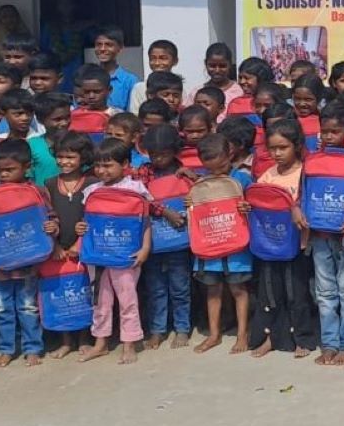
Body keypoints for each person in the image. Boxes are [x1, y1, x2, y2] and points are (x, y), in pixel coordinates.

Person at [0, 139, 58, 367]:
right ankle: (7, 349)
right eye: (0, 170)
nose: (4, 175)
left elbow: (50, 218)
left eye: (10, 170)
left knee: (27, 307)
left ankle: (33, 347)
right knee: (2, 309)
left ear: (27, 167)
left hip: (28, 264)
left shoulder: (37, 192)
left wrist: (52, 227)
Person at [76, 138, 152, 364]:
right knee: (100, 299)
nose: (102, 170)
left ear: (125, 164)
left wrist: (145, 248)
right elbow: (88, 221)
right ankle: (100, 342)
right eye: (98, 165)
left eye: (108, 165)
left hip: (126, 255)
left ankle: (129, 343)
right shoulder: (91, 190)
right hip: (97, 256)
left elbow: (145, 222)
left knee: (127, 299)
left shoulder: (135, 188)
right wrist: (80, 227)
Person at [250, 119, 318, 359]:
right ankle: (271, 338)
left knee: (296, 292)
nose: (277, 153)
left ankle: (302, 339)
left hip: (297, 245)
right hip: (269, 244)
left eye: (283, 147)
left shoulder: (306, 173)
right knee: (270, 292)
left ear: (297, 145)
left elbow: (310, 204)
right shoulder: (267, 176)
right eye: (272, 148)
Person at [307, 105, 344, 366]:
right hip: (319, 235)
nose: (329, 136)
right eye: (325, 131)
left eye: (335, 131)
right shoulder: (311, 161)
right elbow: (302, 195)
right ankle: (329, 342)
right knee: (325, 291)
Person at [192, 133, 253, 355]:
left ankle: (242, 334)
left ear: (231, 154)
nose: (217, 173)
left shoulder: (243, 180)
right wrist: (190, 203)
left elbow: (255, 205)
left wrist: (248, 207)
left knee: (238, 289)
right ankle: (214, 334)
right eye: (212, 169)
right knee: (213, 290)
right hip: (209, 247)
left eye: (222, 167)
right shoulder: (201, 184)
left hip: (237, 247)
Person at [44, 131, 97, 359]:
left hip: (84, 248)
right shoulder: (49, 184)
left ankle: (85, 338)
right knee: (62, 295)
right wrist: (54, 246)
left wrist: (79, 242)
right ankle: (66, 341)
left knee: (83, 293)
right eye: (60, 156)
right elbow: (47, 217)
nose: (64, 162)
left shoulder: (93, 183)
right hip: (57, 248)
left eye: (70, 157)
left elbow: (94, 216)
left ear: (83, 158)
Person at [140, 124, 192, 351]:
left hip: (180, 241)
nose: (158, 159)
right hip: (152, 241)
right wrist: (165, 211)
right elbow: (139, 198)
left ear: (174, 151)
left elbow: (203, 195)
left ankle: (182, 328)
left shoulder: (184, 171)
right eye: (153, 154)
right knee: (156, 289)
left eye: (163, 154)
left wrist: (193, 178)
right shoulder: (142, 173)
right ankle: (157, 330)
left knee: (180, 288)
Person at [40, 0, 89, 94]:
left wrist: (90, 24)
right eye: (62, 4)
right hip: (56, 68)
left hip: (77, 69)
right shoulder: (50, 27)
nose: (65, 7)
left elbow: (97, 38)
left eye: (68, 4)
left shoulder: (82, 26)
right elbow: (43, 49)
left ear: (75, 6)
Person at [129, 40, 186, 113]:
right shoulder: (139, 88)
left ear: (175, 61)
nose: (157, 63)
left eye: (163, 58)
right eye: (153, 58)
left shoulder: (177, 87)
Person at [27, 93, 72, 185]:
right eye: (57, 119)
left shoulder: (79, 142)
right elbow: (28, 179)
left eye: (67, 117)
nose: (64, 123)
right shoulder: (32, 145)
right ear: (40, 119)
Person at [91, 26, 137, 113]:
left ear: (120, 48)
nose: (103, 49)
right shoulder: (88, 77)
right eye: (99, 44)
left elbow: (131, 113)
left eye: (109, 45)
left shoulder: (129, 80)